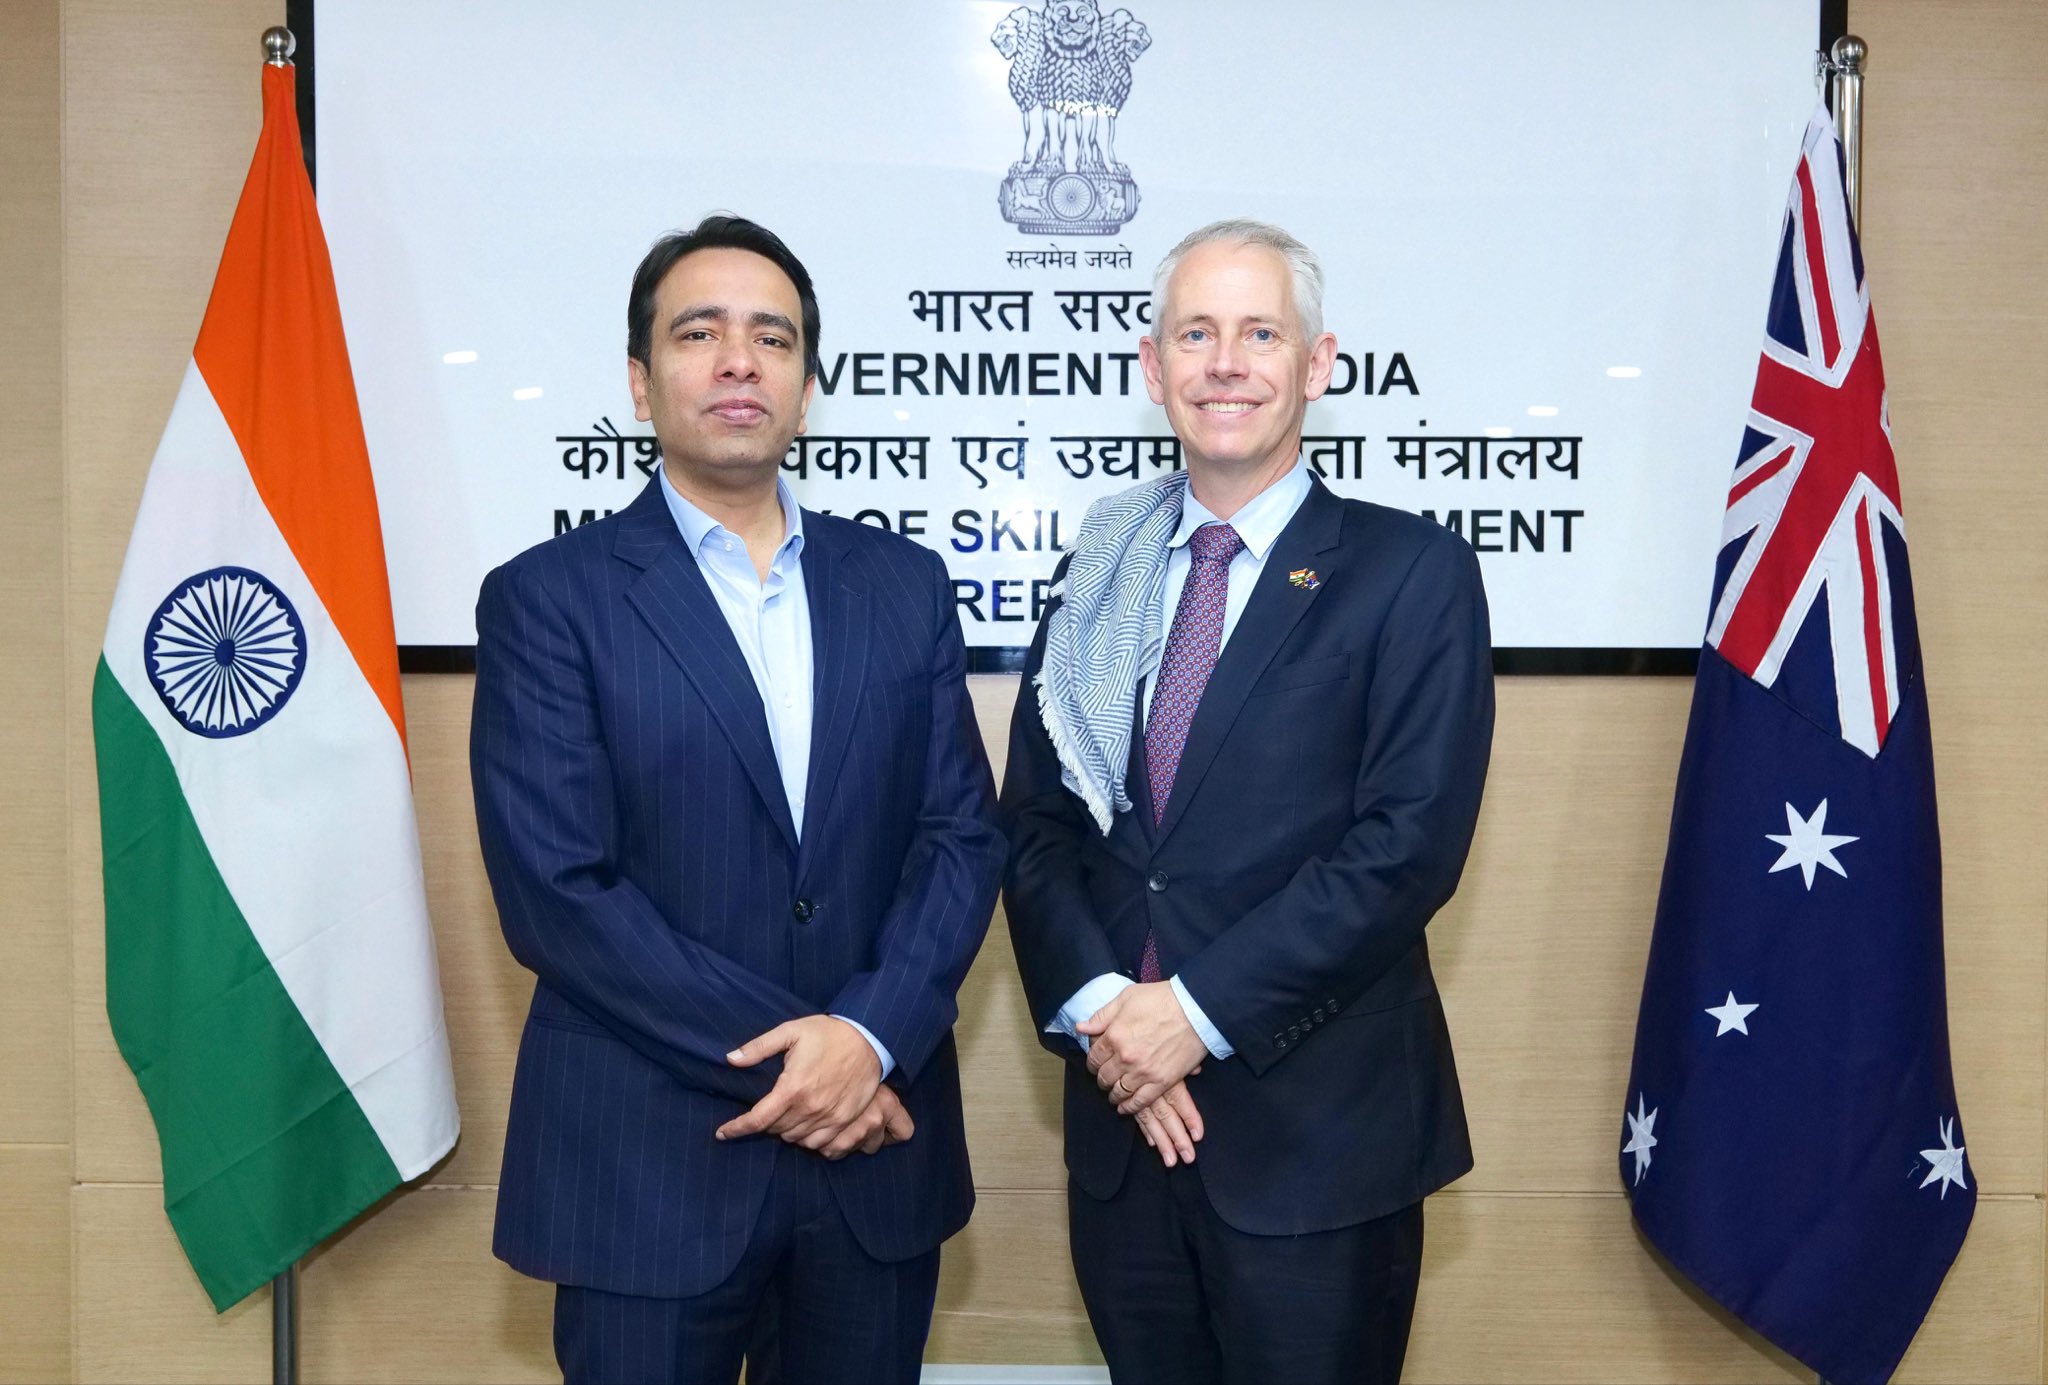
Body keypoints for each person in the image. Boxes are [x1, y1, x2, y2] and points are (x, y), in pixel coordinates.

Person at [471, 214, 1004, 1385]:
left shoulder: (901, 587)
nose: (735, 360)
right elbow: (559, 892)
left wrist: (866, 1037)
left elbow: (958, 835)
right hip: (647, 1167)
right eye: (697, 331)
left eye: (771, 337)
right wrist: (806, 1068)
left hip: (874, 1159)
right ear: (638, 378)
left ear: (807, 385)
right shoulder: (547, 600)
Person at [1001, 219, 1494, 1384]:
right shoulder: (1097, 566)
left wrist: (1194, 1012)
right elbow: (1032, 822)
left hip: (1318, 1142)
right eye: (1196, 332)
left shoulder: (1408, 572)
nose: (1225, 362)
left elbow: (1404, 845)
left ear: (1317, 364)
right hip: (1125, 1126)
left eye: (1258, 331)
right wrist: (1108, 1011)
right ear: (1151, 363)